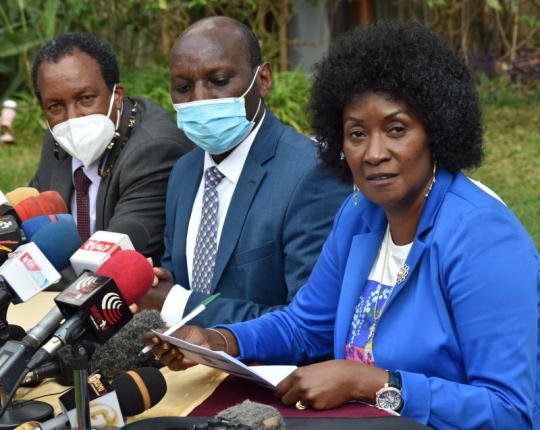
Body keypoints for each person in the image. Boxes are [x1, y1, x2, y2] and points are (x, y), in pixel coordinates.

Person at [148, 21, 540, 430]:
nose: (373, 153)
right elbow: (304, 326)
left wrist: (372, 384)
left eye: (396, 130)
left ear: (436, 130)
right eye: (356, 133)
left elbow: (511, 411)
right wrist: (222, 340)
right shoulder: (359, 213)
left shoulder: (483, 238)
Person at [135, 17, 349, 327]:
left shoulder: (311, 174)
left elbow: (310, 322)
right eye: (183, 87)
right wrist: (161, 286)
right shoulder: (184, 171)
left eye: (219, 80)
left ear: (263, 80)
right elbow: (178, 282)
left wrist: (179, 304)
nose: (199, 99)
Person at [30, 33, 193, 262]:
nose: (72, 118)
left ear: (117, 96)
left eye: (86, 98)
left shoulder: (154, 150)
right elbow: (32, 220)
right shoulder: (57, 137)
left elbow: (115, 256)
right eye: (55, 106)